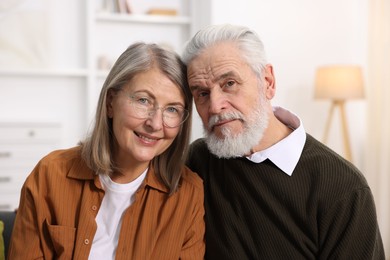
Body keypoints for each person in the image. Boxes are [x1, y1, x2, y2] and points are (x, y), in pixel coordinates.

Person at [182, 24, 385, 259]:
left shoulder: (342, 187)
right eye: (202, 94)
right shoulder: (196, 161)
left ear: (268, 82)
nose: (215, 105)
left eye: (229, 84)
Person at [8, 42, 205, 259]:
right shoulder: (50, 174)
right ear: (110, 102)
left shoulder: (188, 193)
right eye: (143, 100)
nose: (156, 124)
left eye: (172, 109)